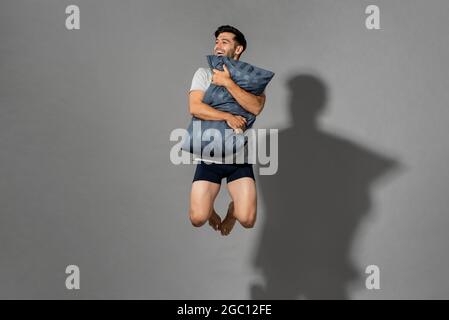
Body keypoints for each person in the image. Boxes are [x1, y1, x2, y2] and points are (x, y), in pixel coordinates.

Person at [188, 25, 266, 236]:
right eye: (216, 41)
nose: (218, 46)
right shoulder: (204, 74)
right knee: (197, 218)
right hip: (209, 157)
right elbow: (195, 107)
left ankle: (233, 211)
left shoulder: (253, 80)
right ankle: (210, 209)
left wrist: (228, 83)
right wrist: (227, 116)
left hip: (239, 158)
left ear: (238, 49)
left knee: (247, 219)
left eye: (224, 41)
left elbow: (256, 107)